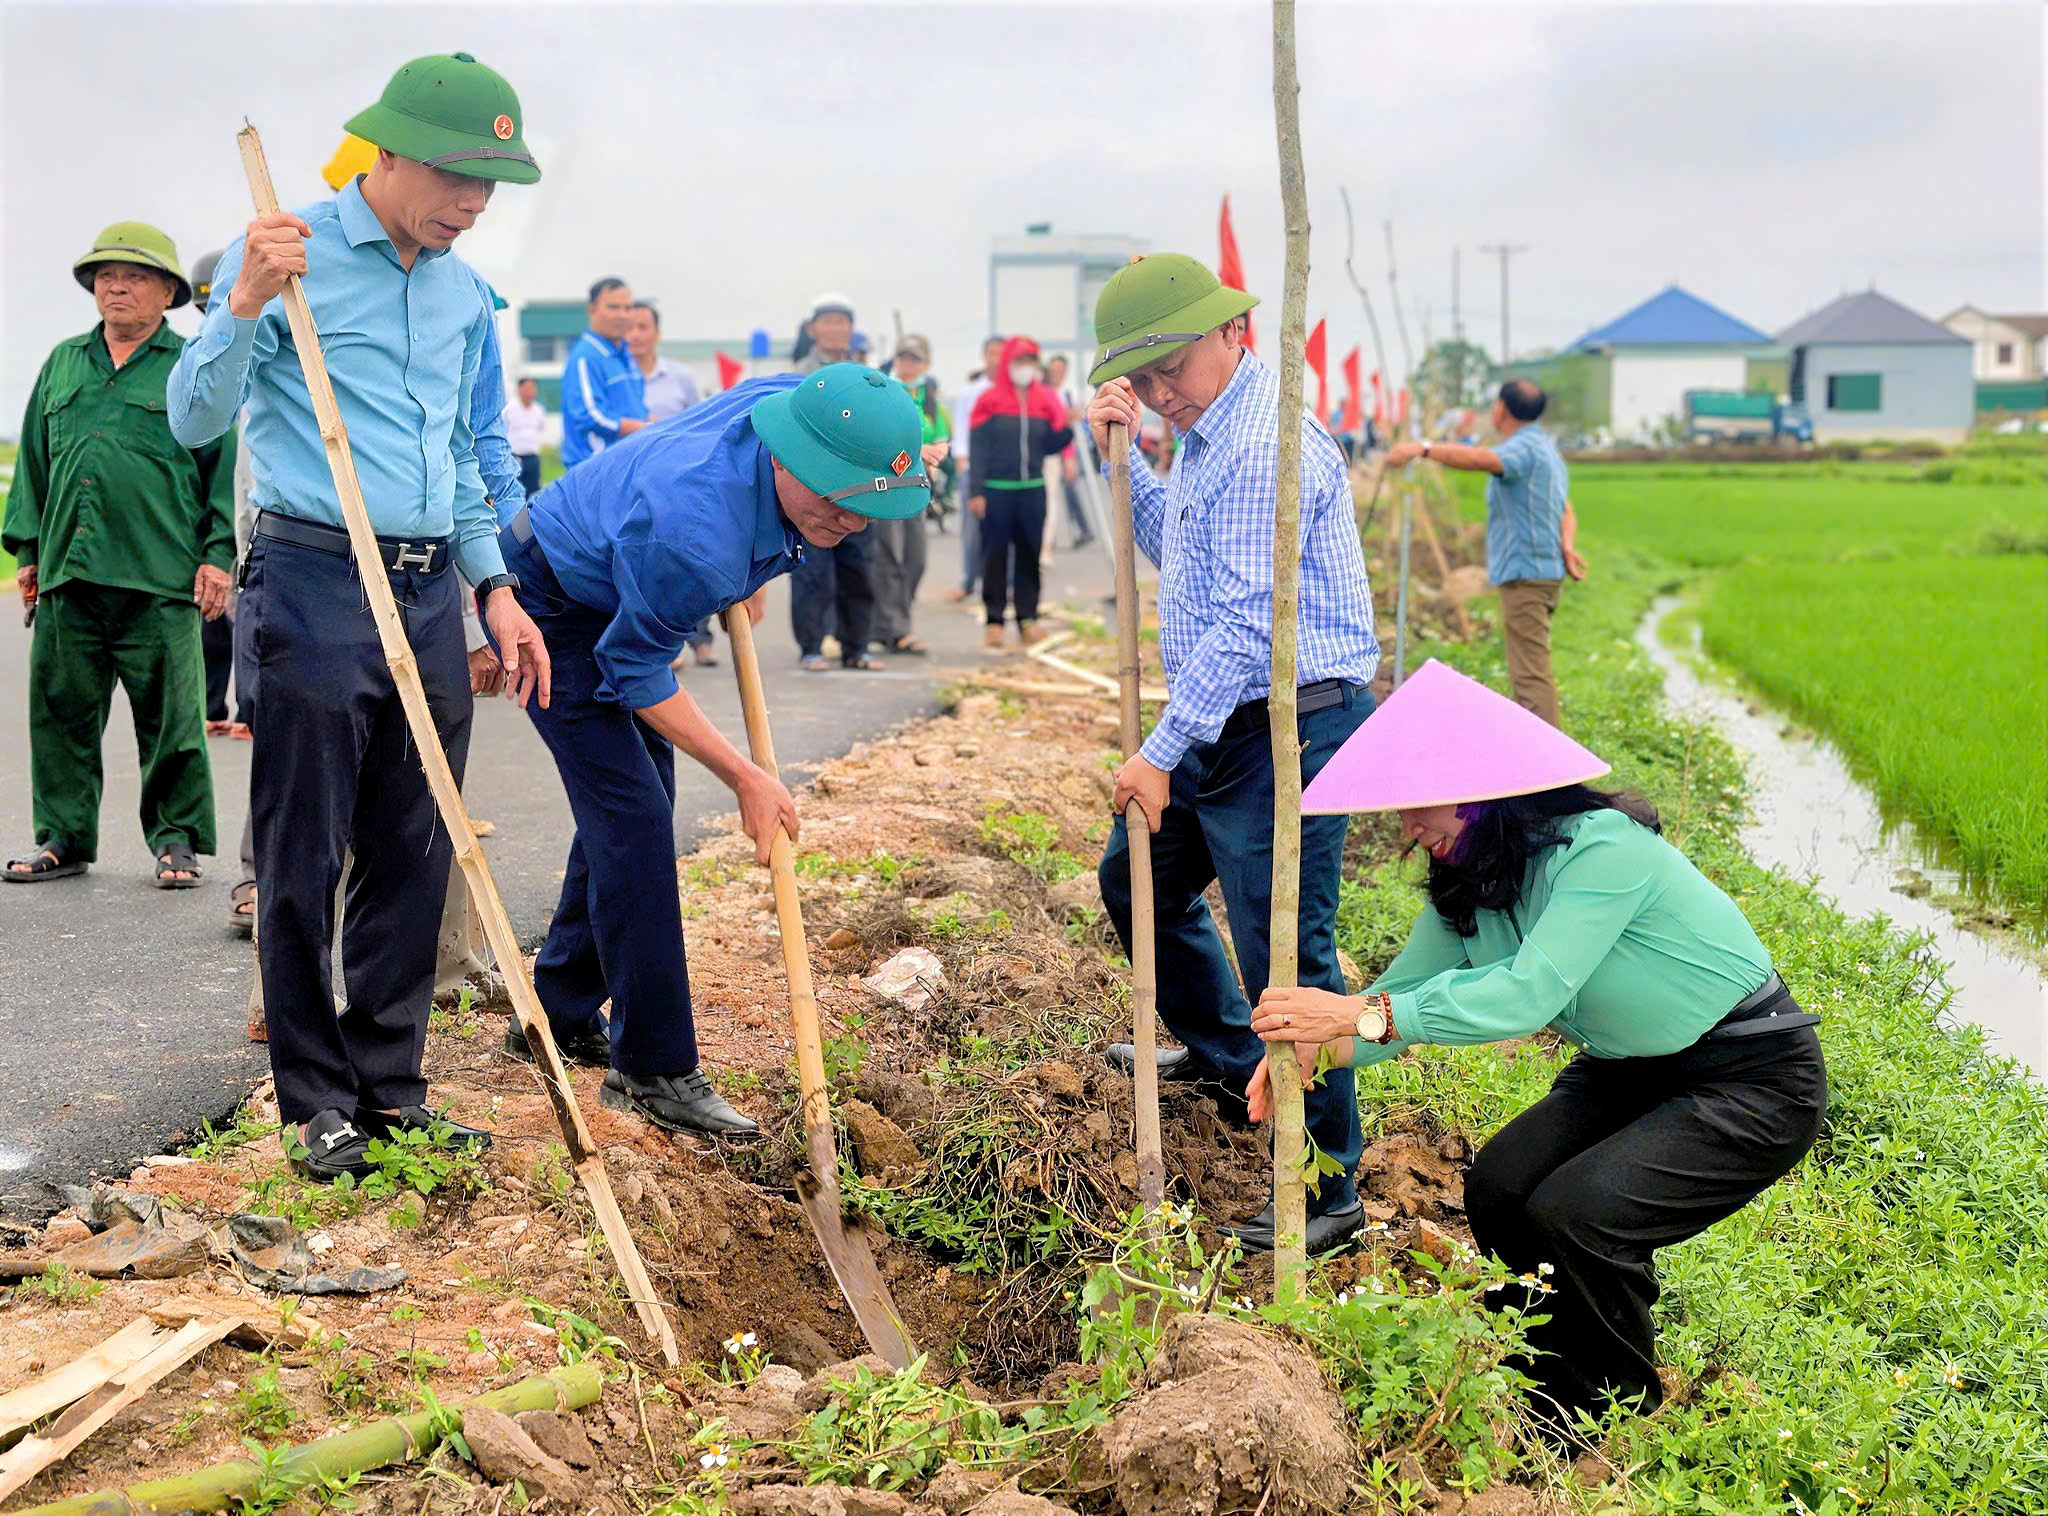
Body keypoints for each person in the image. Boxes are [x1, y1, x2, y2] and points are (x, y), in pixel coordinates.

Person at [1249, 660, 1825, 1431]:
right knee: (1500, 1188)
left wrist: (1354, 1018)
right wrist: (1311, 1052)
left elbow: (1526, 993)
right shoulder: (1469, 883)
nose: (1408, 829)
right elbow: (1387, 1004)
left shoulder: (1603, 851)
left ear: (1485, 792)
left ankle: (1614, 1413)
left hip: (1750, 1075)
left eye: (1419, 806)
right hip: (1629, 1070)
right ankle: (1548, 1380)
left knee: (1580, 1216)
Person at [167, 50, 551, 1181]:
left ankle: (390, 1089)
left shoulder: (462, 295)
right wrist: (239, 302)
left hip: (433, 587)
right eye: (456, 177)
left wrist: (494, 590)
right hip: (316, 576)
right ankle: (313, 1101)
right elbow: (195, 421)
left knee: (413, 840)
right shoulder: (286, 259)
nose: (474, 204)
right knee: (306, 846)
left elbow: (471, 458)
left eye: (492, 185)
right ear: (385, 154)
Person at [495, 364, 929, 1134]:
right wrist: (746, 778)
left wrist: (789, 537)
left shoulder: (795, 407)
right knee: (632, 819)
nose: (854, 525)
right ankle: (653, 1068)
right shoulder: (697, 537)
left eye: (869, 509)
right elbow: (633, 669)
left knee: (632, 809)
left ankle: (557, 1013)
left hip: (622, 567)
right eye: (839, 507)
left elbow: (793, 428)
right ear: (789, 462)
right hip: (555, 601)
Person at [1084, 252, 1380, 1255]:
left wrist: (1159, 750)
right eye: (1143, 376)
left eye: (1172, 366)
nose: (1162, 389)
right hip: (1226, 717)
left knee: (1285, 954)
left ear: (1232, 332)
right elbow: (1180, 547)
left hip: (1290, 725)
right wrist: (1124, 455)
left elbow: (1253, 627)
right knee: (1136, 880)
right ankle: (1222, 1057)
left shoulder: (1261, 442)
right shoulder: (1206, 435)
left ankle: (1330, 1184)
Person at [4, 222, 235, 889]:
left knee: (173, 720)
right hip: (70, 574)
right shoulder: (63, 363)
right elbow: (35, 465)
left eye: (134, 276)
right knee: (61, 713)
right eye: (106, 275)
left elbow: (218, 469)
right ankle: (63, 837)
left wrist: (216, 555)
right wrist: (28, 550)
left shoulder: (189, 366)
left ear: (167, 291)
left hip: (159, 576)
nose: (117, 286)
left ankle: (177, 841)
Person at [1385, 379, 1570, 727]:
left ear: (1500, 409)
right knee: (1531, 666)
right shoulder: (1544, 448)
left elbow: (1482, 458)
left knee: (1531, 674)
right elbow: (1566, 507)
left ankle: (1548, 767)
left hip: (1526, 573)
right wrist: (1568, 546)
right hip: (1540, 569)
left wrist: (1423, 449)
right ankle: (1545, 755)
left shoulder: (1522, 449)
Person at [968, 336, 1071, 648]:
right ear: (1008, 365)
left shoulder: (1045, 399)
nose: (1024, 369)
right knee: (994, 557)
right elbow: (978, 449)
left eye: (1029, 362)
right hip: (996, 491)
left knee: (1030, 556)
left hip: (1032, 491)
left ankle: (1028, 619)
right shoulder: (989, 400)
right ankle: (995, 620)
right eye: (1019, 362)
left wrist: (1069, 428)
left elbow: (1051, 444)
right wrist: (976, 491)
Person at [870, 335, 948, 657]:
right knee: (888, 557)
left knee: (915, 559)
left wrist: (935, 456)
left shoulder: (931, 400)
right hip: (887, 487)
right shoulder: (882, 393)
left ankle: (895, 620)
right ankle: (895, 628)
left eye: (915, 358)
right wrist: (916, 454)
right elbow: (881, 440)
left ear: (926, 364)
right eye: (903, 357)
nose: (908, 364)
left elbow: (942, 439)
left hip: (919, 488)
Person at [943, 336, 1005, 603]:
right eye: (992, 353)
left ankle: (1006, 584)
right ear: (984, 356)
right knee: (971, 531)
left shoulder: (1013, 392)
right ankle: (968, 580)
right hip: (973, 468)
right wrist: (962, 462)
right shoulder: (971, 392)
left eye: (1001, 353)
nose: (996, 358)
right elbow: (961, 429)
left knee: (1004, 529)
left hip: (1004, 471)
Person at [560, 276, 646, 469]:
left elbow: (638, 410)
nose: (622, 315)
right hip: (596, 472)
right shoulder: (585, 357)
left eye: (627, 308)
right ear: (592, 310)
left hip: (626, 468)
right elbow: (590, 416)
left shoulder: (626, 357)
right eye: (613, 307)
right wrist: (646, 430)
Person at [1042, 353, 1092, 555]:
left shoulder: (1069, 392)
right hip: (1049, 450)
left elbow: (1075, 420)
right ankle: (1048, 538)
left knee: (1070, 491)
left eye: (1060, 370)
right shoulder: (1044, 392)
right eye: (1053, 369)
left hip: (1067, 446)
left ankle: (1082, 529)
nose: (1056, 373)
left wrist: (1070, 458)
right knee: (1049, 497)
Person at [628, 301, 701, 422]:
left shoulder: (681, 376)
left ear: (658, 334)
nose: (635, 335)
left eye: (643, 327)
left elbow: (697, 423)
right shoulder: (613, 378)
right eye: (629, 328)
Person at [507, 376, 546, 499]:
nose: (529, 391)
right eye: (526, 388)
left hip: (532, 457)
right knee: (514, 492)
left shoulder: (539, 410)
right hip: (514, 457)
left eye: (532, 388)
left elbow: (540, 428)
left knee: (533, 492)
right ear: (519, 390)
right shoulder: (509, 409)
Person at [793, 293, 855, 372]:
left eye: (840, 321)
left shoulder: (861, 373)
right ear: (810, 329)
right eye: (827, 321)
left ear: (851, 328)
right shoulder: (799, 373)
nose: (834, 329)